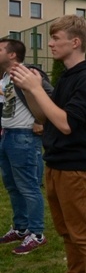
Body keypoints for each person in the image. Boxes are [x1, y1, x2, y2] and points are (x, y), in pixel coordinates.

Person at [11, 15, 86, 273]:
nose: (50, 43)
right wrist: (27, 90)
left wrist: (37, 88)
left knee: (85, 236)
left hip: (76, 170)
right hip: (55, 164)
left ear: (75, 42)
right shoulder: (68, 76)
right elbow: (45, 117)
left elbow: (67, 123)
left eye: (56, 38)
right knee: (67, 233)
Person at [0, 38, 51, 255]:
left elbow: (49, 94)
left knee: (28, 186)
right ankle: (21, 228)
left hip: (24, 138)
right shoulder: (4, 77)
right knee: (12, 186)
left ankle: (37, 233)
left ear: (12, 54)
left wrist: (41, 121)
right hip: (7, 136)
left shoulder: (27, 72)